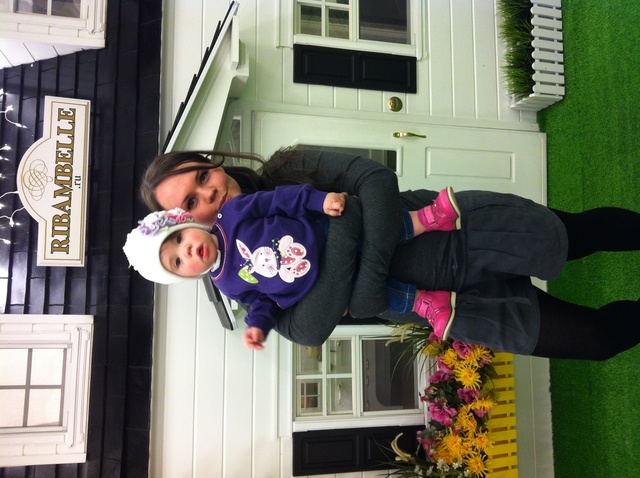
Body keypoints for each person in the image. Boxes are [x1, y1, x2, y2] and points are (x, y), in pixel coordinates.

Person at [138, 147, 640, 361]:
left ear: (211, 163)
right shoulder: (245, 284)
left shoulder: (289, 168)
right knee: (595, 339)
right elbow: (309, 329)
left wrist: (359, 289)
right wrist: (351, 222)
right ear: (183, 221)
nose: (208, 192)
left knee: (582, 234)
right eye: (191, 202)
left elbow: (375, 180)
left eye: (202, 176)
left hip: (459, 230)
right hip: (450, 308)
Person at [124, 184, 463, 349]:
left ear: (188, 223)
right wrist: (258, 326)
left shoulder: (233, 215)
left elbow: (279, 200)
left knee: (378, 232)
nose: (187, 250)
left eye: (180, 238)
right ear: (183, 275)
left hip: (323, 233)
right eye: (177, 261)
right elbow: (262, 302)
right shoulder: (226, 284)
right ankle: (425, 303)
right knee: (374, 294)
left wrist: (319, 200)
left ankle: (429, 217)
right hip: (321, 285)